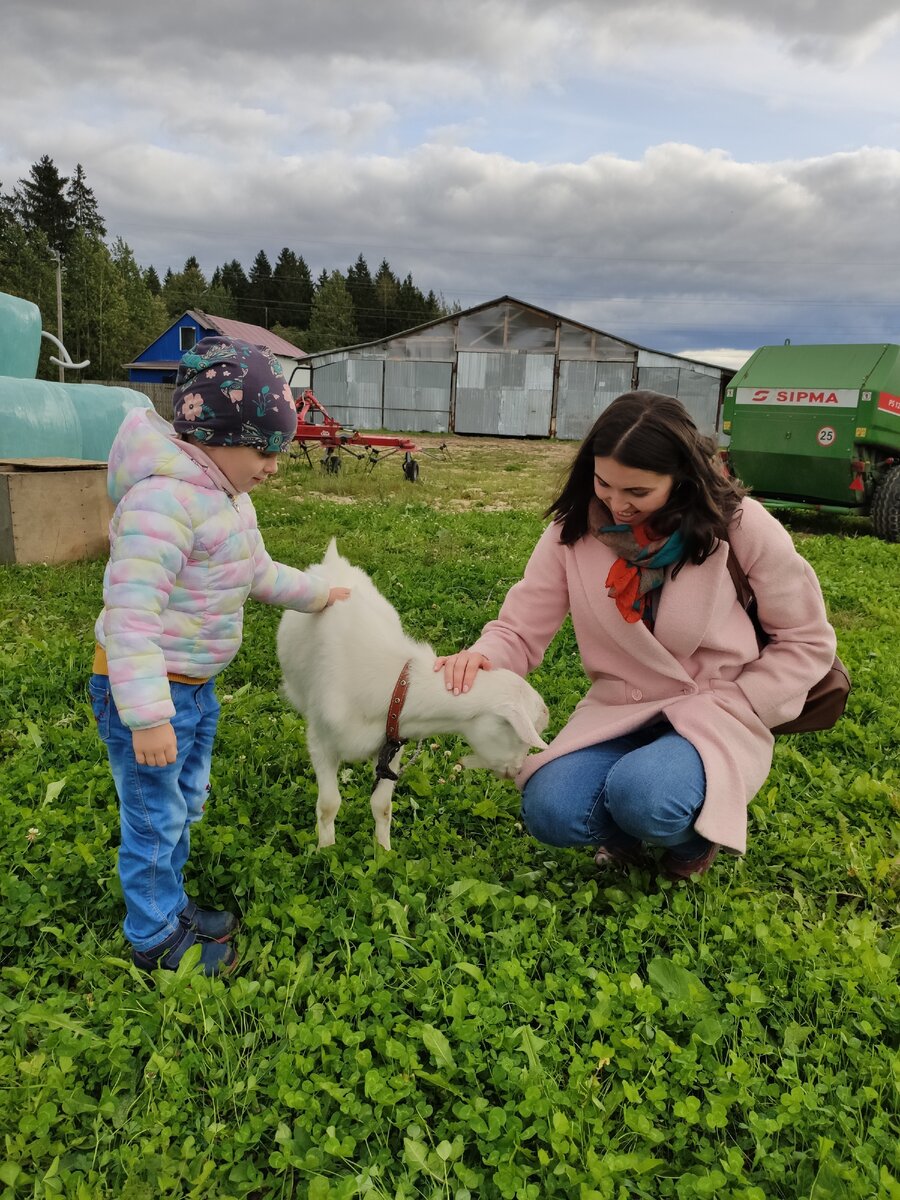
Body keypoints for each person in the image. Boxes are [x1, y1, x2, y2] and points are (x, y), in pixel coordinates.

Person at [436, 391, 837, 880]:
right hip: (620, 708)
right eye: (604, 483)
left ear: (683, 479)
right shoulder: (574, 530)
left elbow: (806, 639)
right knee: (549, 808)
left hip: (717, 708)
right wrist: (483, 657)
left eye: (638, 493)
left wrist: (745, 699)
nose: (616, 504)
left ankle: (691, 844)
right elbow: (519, 628)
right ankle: (624, 834)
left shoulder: (740, 525)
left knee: (644, 794)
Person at [90, 336, 350, 976]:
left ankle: (170, 905)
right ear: (212, 435)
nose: (273, 465)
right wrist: (148, 716)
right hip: (153, 694)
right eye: (263, 448)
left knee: (179, 803)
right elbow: (130, 619)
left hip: (195, 688)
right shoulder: (162, 503)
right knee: (154, 815)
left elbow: (256, 573)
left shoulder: (228, 499)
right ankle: (154, 939)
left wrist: (318, 595)